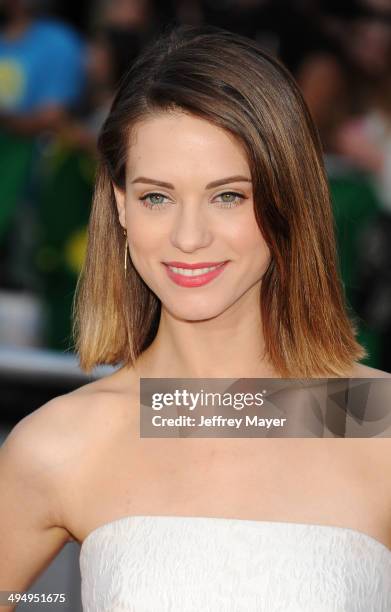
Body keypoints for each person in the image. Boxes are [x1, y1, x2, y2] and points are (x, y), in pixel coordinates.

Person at [1, 24, 391, 612]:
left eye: (228, 195)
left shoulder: (373, 422)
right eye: (157, 196)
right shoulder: (65, 442)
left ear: (286, 200)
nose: (189, 237)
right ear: (120, 203)